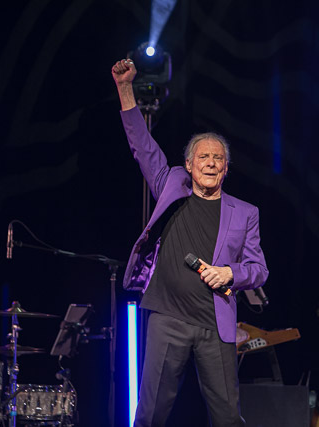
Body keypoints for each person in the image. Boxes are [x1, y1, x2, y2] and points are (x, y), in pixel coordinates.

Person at [112, 58, 269, 427]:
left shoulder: (245, 212)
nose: (211, 163)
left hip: (216, 325)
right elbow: (142, 145)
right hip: (168, 317)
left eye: (218, 158)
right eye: (204, 157)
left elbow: (259, 270)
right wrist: (124, 88)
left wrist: (230, 273)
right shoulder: (170, 184)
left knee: (228, 416)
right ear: (189, 163)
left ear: (226, 168)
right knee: (150, 413)